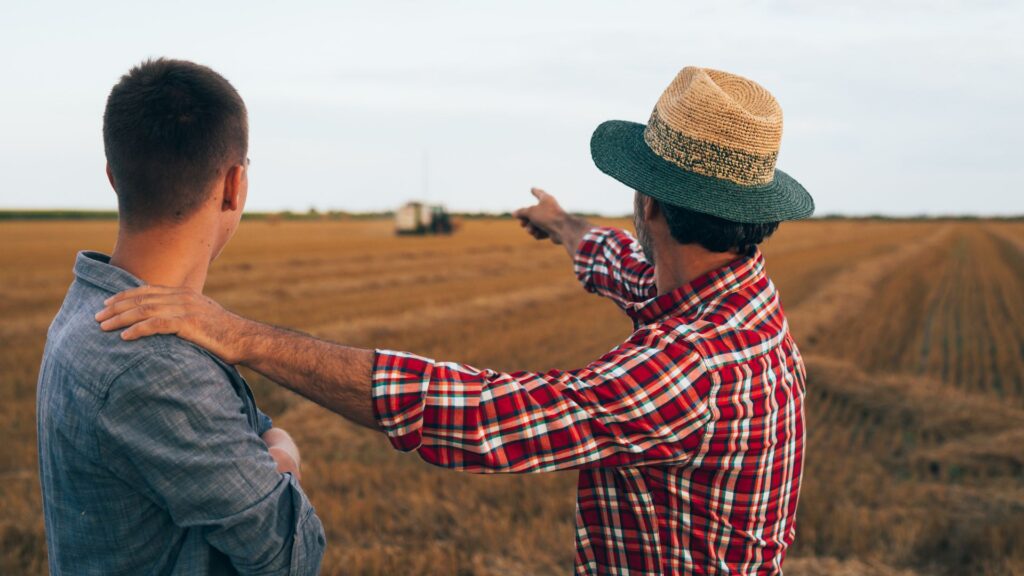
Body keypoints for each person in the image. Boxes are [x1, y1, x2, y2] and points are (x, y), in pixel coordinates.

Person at [96, 66, 813, 575]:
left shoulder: (690, 371)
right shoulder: (734, 298)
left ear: (648, 202)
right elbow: (626, 264)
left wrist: (241, 334)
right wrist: (560, 224)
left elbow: (485, 414)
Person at [37, 58, 325, 575]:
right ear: (235, 185)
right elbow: (292, 554)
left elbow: (245, 428)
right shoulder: (155, 364)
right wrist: (287, 454)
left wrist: (269, 449)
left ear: (113, 177)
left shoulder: (84, 305)